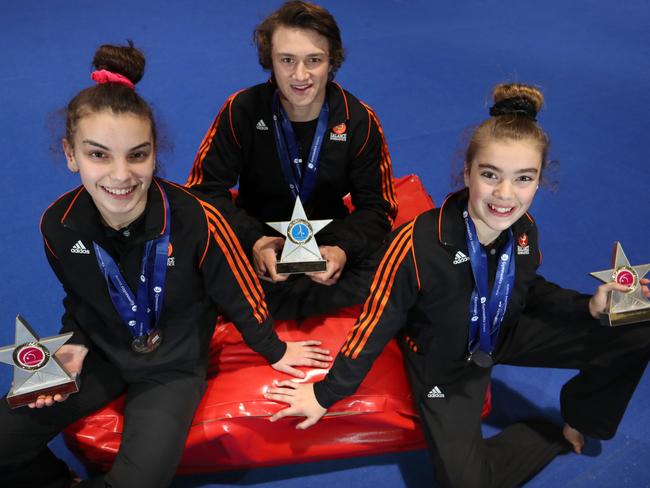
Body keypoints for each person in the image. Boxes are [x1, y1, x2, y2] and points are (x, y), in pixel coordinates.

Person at [264, 83, 650, 488]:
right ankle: (545, 434)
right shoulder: (417, 243)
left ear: (540, 182)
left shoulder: (523, 231)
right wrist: (324, 394)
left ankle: (582, 418)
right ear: (467, 173)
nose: (505, 194)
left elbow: (529, 289)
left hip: (504, 330)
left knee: (637, 328)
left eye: (523, 178)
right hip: (446, 364)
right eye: (490, 175)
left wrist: (587, 307)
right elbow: (375, 324)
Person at [0, 42, 332, 488]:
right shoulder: (58, 226)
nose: (121, 175)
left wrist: (276, 349)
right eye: (99, 154)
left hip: (172, 369)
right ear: (70, 154)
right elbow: (80, 296)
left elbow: (238, 291)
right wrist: (73, 344)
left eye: (137, 154)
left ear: (155, 152)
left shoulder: (196, 218)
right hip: (99, 353)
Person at [186, 1, 398, 320]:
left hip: (330, 245)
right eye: (287, 60)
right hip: (255, 244)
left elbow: (378, 207)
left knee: (401, 267)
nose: (300, 76)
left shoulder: (358, 121)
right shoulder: (241, 111)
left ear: (332, 61)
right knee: (187, 263)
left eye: (314, 60)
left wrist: (343, 249)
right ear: (269, 60)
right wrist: (253, 241)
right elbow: (203, 192)